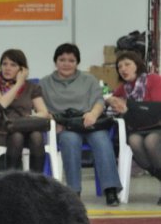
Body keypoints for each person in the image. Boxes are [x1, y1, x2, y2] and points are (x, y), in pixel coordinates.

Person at [40, 43, 122, 205]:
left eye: (71, 60)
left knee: (102, 140)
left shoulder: (89, 79)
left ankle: (111, 190)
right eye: (62, 59)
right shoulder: (45, 83)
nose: (66, 64)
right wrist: (53, 122)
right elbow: (41, 109)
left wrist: (93, 114)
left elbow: (100, 101)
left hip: (91, 123)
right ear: (55, 62)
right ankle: (73, 191)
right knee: (69, 140)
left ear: (77, 62)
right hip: (66, 126)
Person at [107, 50, 161, 204]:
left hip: (157, 126)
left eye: (127, 64)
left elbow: (157, 108)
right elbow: (110, 99)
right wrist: (111, 100)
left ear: (137, 65)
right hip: (138, 129)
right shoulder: (124, 88)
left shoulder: (154, 79)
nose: (123, 69)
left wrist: (129, 107)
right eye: (119, 67)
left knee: (151, 142)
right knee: (135, 142)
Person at [0, 49, 50, 172]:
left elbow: (43, 111)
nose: (7, 68)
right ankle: (12, 182)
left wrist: (32, 118)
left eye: (13, 65)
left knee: (36, 135)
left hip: (26, 128)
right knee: (17, 136)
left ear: (22, 69)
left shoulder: (32, 87)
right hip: (2, 131)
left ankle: (35, 182)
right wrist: (19, 83)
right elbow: (0, 104)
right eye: (4, 64)